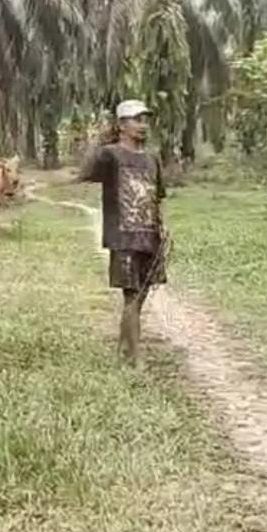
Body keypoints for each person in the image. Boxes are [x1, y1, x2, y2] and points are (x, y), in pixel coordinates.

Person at [76, 99, 168, 369]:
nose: (143, 125)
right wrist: (99, 139)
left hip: (149, 235)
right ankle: (136, 358)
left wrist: (164, 228)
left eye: (145, 120)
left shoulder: (152, 159)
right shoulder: (110, 155)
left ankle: (123, 348)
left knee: (141, 297)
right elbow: (85, 174)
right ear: (122, 125)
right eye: (136, 120)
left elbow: (159, 196)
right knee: (131, 296)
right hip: (123, 237)